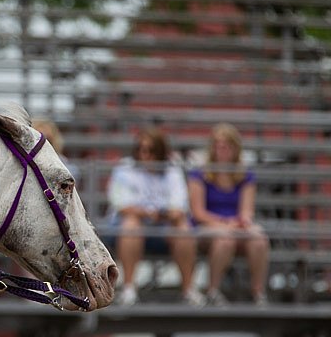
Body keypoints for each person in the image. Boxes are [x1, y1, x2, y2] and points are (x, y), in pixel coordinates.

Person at [107, 127, 205, 307]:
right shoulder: (125, 167)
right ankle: (129, 288)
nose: (145, 154)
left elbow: (179, 208)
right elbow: (122, 205)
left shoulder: (172, 170)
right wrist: (153, 213)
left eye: (150, 150)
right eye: (141, 149)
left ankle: (188, 289)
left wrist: (154, 214)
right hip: (128, 226)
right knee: (131, 223)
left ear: (160, 152)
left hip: (164, 228)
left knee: (183, 227)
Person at [188, 123, 270, 306]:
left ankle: (258, 291)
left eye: (226, 146)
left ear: (235, 148)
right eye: (217, 146)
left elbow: (247, 210)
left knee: (259, 238)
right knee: (225, 239)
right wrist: (225, 223)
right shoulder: (200, 174)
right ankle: (213, 290)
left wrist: (243, 221)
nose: (221, 150)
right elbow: (198, 212)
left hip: (234, 224)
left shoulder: (245, 175)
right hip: (207, 226)